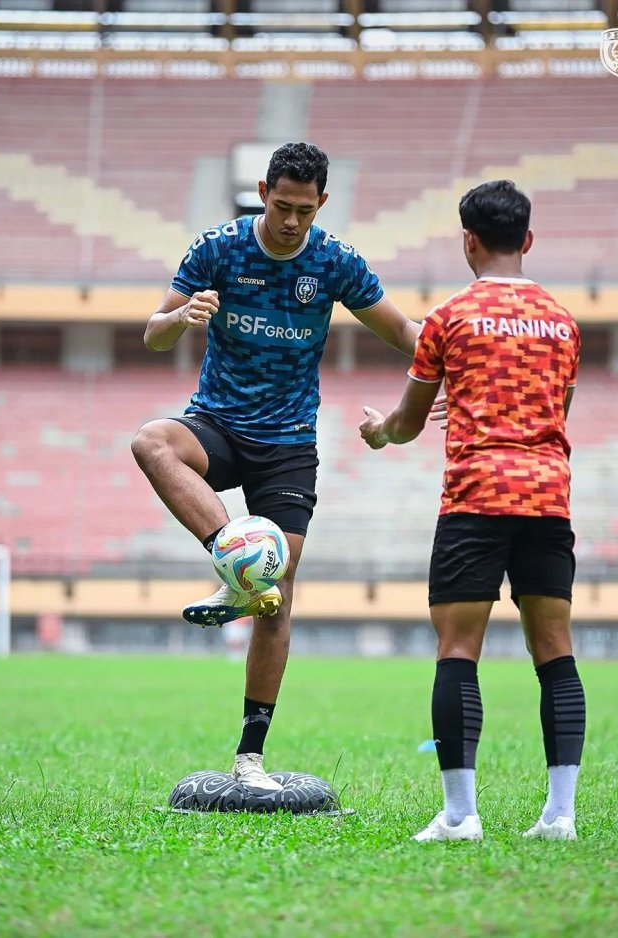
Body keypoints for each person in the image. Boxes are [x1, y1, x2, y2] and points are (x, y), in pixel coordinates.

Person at [132, 142, 420, 794]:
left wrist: (458, 351)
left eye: (304, 209)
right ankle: (234, 560)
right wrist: (181, 316)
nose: (291, 221)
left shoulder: (335, 261)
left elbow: (403, 331)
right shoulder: (218, 248)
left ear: (323, 202)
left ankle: (249, 759)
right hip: (217, 424)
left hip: (289, 441)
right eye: (281, 205)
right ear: (263, 190)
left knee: (277, 598)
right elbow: (153, 334)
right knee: (152, 441)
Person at [359, 179, 586, 842]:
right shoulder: (564, 322)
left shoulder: (449, 318)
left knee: (458, 650)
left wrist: (382, 432)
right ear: (529, 239)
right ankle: (561, 815)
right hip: (547, 496)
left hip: (476, 496)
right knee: (555, 651)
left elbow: (405, 422)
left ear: (469, 241)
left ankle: (460, 815)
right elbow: (556, 413)